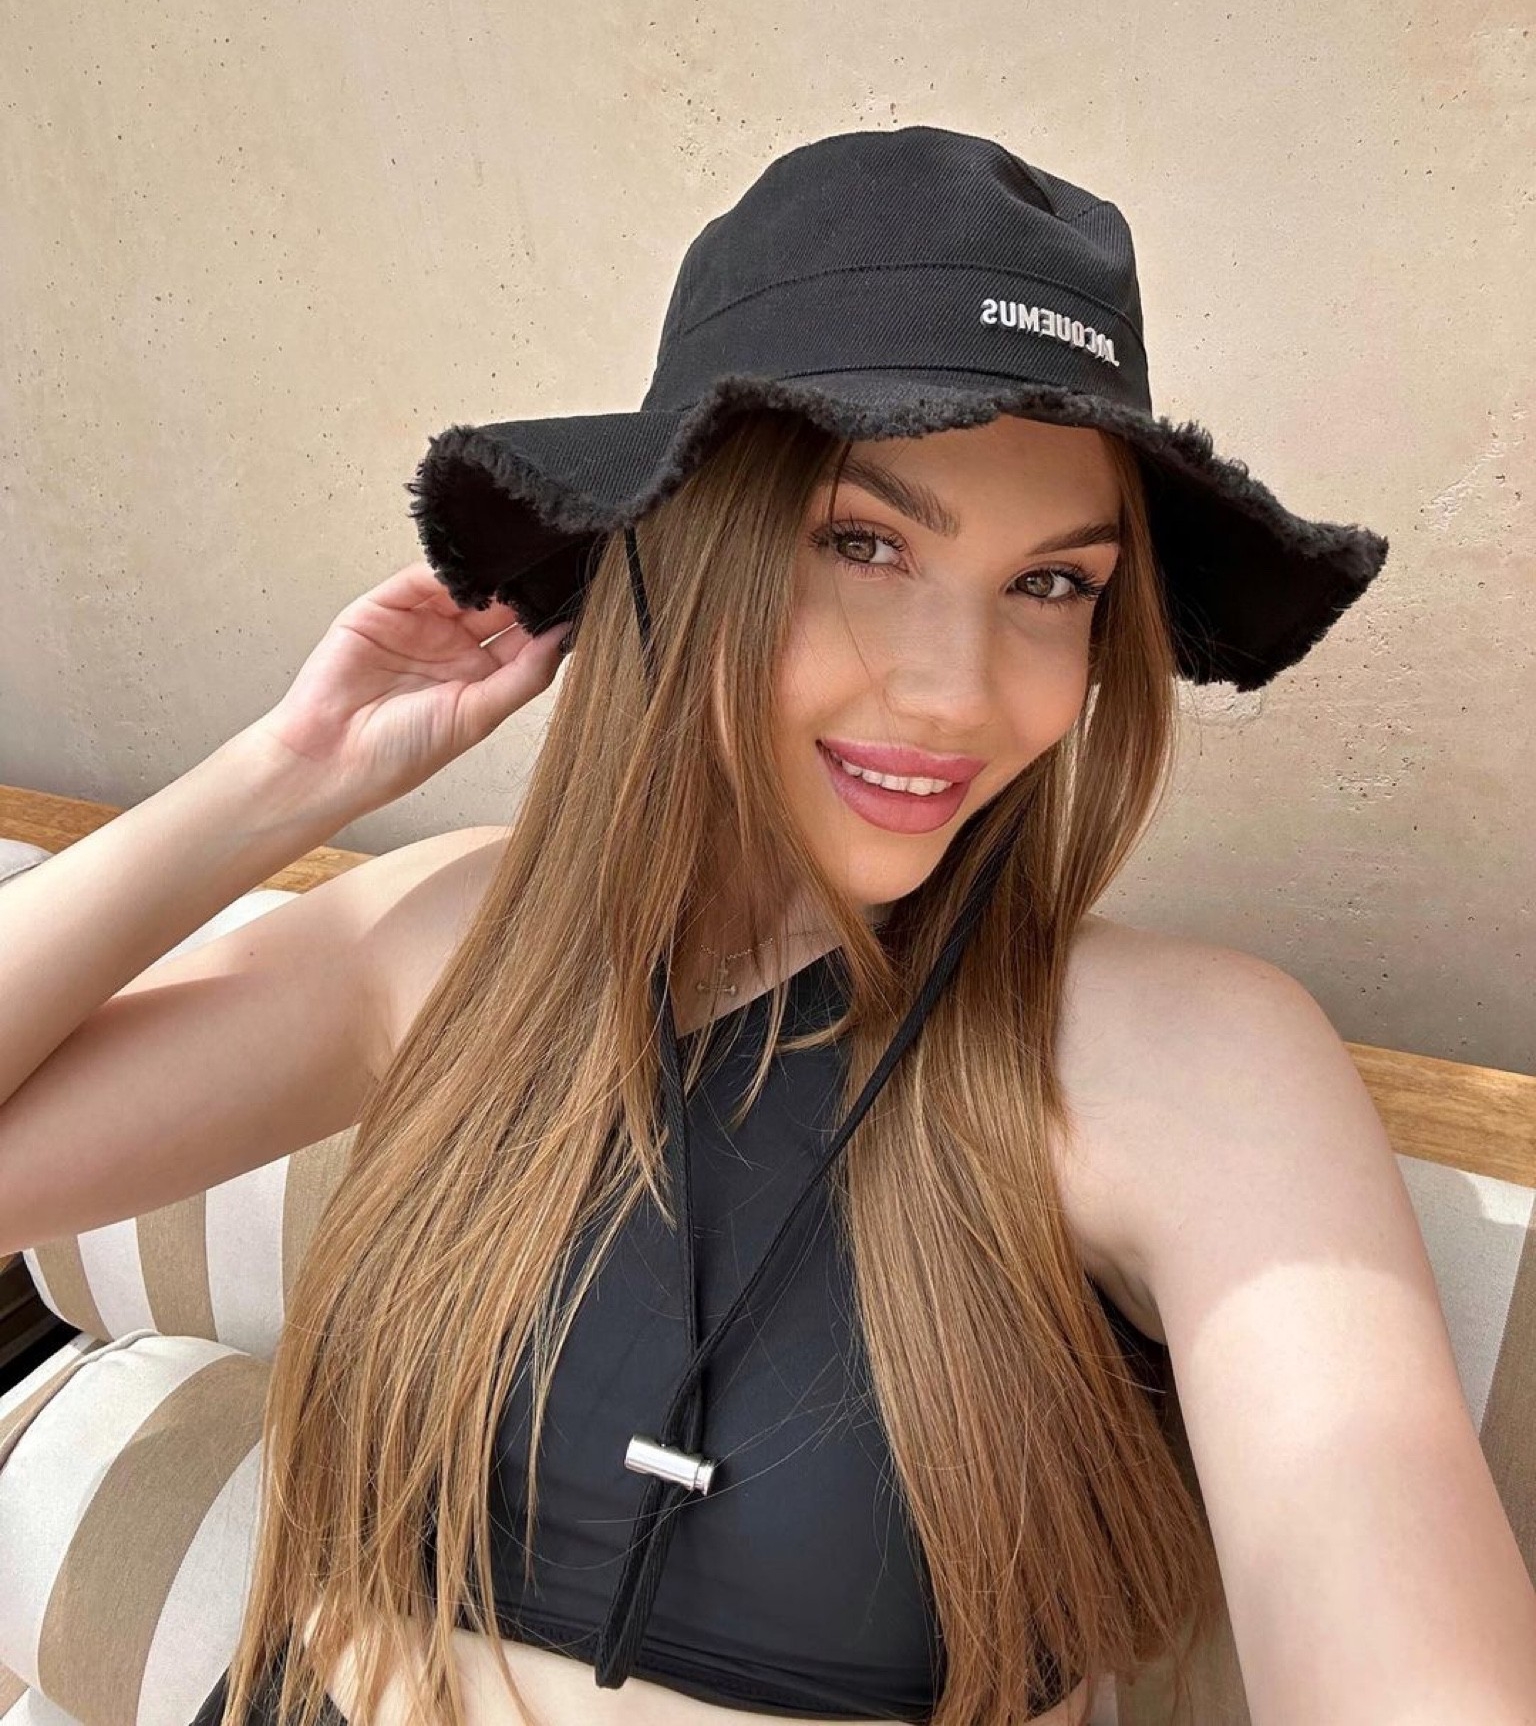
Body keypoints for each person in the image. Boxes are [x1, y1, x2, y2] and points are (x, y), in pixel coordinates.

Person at [14, 126, 1526, 1726]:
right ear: (685, 551)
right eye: (864, 544)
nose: (956, 693)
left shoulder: (1191, 1060)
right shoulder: (455, 939)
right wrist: (285, 777)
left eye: (1052, 587)